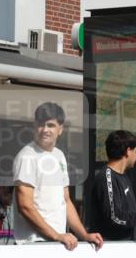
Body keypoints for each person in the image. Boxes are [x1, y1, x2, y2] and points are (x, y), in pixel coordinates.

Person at [12, 102, 103, 250]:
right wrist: (56, 235)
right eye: (41, 124)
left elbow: (65, 201)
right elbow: (25, 206)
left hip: (56, 241)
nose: (45, 130)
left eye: (51, 125)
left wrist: (84, 235)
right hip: (33, 243)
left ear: (60, 129)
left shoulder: (59, 155)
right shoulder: (27, 156)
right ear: (35, 126)